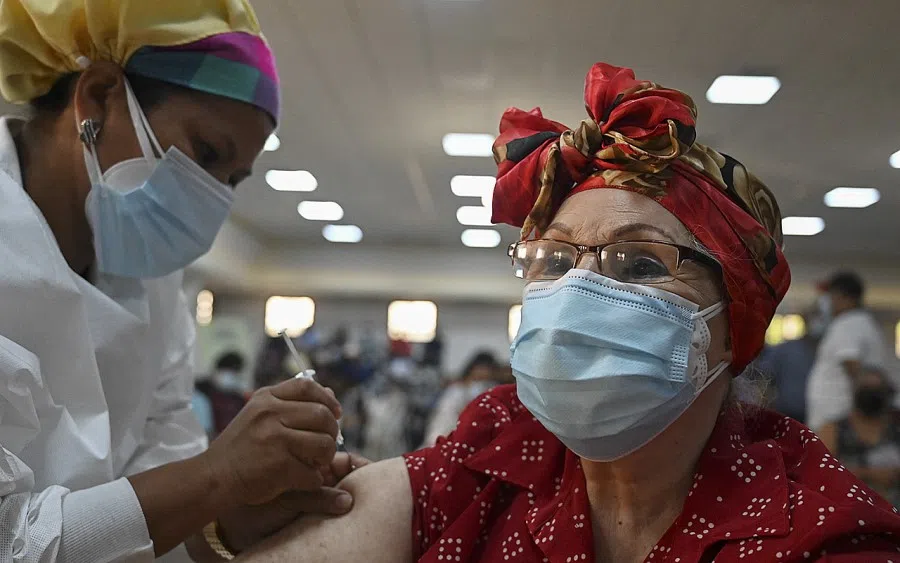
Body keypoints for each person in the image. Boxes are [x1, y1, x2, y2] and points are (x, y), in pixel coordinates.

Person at [237, 63, 900, 562]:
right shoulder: (496, 455)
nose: (576, 292)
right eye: (553, 261)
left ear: (735, 326)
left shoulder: (819, 526)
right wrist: (234, 507)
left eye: (639, 264)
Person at [0, 1, 365, 561]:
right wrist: (215, 479)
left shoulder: (155, 283)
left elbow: (152, 505)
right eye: (207, 154)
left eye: (232, 179)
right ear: (98, 97)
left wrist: (231, 517)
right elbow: (12, 540)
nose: (214, 198)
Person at [806, 271, 893, 432]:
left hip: (838, 419)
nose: (828, 302)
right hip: (840, 419)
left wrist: (861, 417)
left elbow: (853, 366)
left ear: (844, 297)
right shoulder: (862, 323)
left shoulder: (847, 325)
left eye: (830, 296)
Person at [820, 367, 900, 507]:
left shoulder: (896, 428)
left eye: (877, 390)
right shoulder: (833, 430)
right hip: (851, 511)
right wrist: (872, 474)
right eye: (867, 389)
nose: (872, 396)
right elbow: (822, 473)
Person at [421, 351, 501, 446]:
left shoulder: (492, 389)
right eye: (481, 368)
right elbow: (444, 415)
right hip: (450, 428)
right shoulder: (456, 390)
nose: (483, 372)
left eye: (488, 369)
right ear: (472, 368)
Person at [755, 310, 823, 421]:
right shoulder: (787, 349)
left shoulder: (824, 352)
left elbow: (764, 372)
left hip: (810, 412)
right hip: (790, 410)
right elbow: (764, 373)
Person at [208, 352, 250, 435]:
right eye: (229, 371)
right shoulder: (206, 397)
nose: (231, 376)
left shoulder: (240, 399)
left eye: (235, 372)